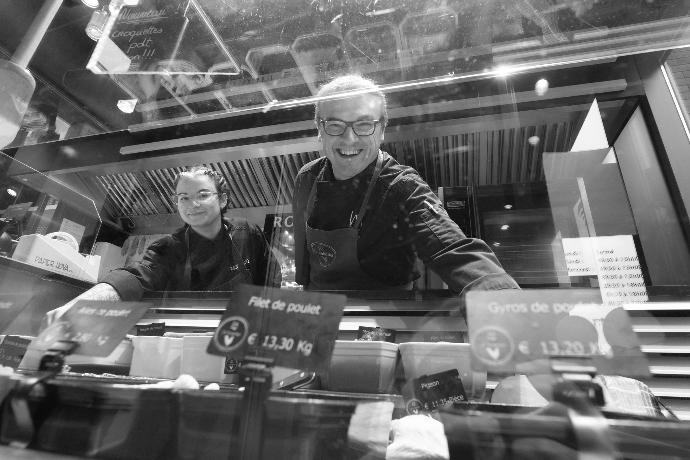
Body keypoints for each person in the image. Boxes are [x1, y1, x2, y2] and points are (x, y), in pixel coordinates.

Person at [292, 74, 518, 293]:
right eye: (334, 125)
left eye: (364, 124)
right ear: (319, 130)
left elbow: (454, 249)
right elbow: (303, 261)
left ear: (382, 130)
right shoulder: (307, 178)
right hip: (322, 308)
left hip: (386, 312)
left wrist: (501, 301)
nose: (349, 138)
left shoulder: (402, 187)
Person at [44, 165, 281, 325]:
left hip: (243, 333)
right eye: (183, 197)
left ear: (223, 200)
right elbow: (136, 277)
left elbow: (272, 281)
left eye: (203, 195)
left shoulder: (246, 232)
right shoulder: (170, 247)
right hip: (188, 339)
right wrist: (79, 307)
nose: (192, 204)